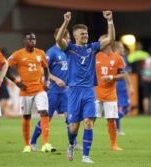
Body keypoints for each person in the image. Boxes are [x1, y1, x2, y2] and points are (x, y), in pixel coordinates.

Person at [56, 11, 115, 163]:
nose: (85, 36)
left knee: (89, 122)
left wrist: (110, 21)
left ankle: (86, 156)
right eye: (82, 34)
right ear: (75, 36)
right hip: (74, 92)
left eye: (86, 33)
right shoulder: (69, 49)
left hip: (89, 90)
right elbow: (58, 39)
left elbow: (111, 39)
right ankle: (71, 144)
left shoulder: (92, 48)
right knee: (74, 128)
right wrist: (66, 22)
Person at [30, 28, 81, 151]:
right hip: (52, 92)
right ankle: (32, 142)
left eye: (69, 38)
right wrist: (56, 79)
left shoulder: (67, 52)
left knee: (70, 118)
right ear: (58, 37)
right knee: (47, 119)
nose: (68, 41)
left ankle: (73, 143)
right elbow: (43, 70)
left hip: (65, 93)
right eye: (67, 38)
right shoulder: (51, 52)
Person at [6, 32, 56, 153]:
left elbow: (46, 68)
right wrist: (16, 82)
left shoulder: (41, 53)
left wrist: (47, 81)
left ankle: (45, 144)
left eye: (34, 39)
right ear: (24, 41)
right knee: (26, 116)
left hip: (39, 89)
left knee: (44, 113)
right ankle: (27, 145)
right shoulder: (18, 54)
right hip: (25, 91)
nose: (32, 41)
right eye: (29, 39)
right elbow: (5, 68)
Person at [95, 37, 124, 151]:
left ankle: (113, 144)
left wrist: (111, 77)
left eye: (101, 42)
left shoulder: (118, 58)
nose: (99, 44)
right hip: (96, 94)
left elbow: (122, 75)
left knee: (111, 120)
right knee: (90, 119)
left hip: (110, 95)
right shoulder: (96, 56)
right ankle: (87, 143)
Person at [114, 41, 134, 136]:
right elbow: (124, 74)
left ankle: (115, 125)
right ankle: (115, 122)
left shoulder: (122, 58)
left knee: (123, 107)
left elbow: (125, 73)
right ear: (116, 49)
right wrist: (130, 85)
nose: (123, 50)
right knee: (126, 106)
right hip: (119, 86)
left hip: (120, 86)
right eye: (121, 48)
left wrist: (130, 85)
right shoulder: (117, 58)